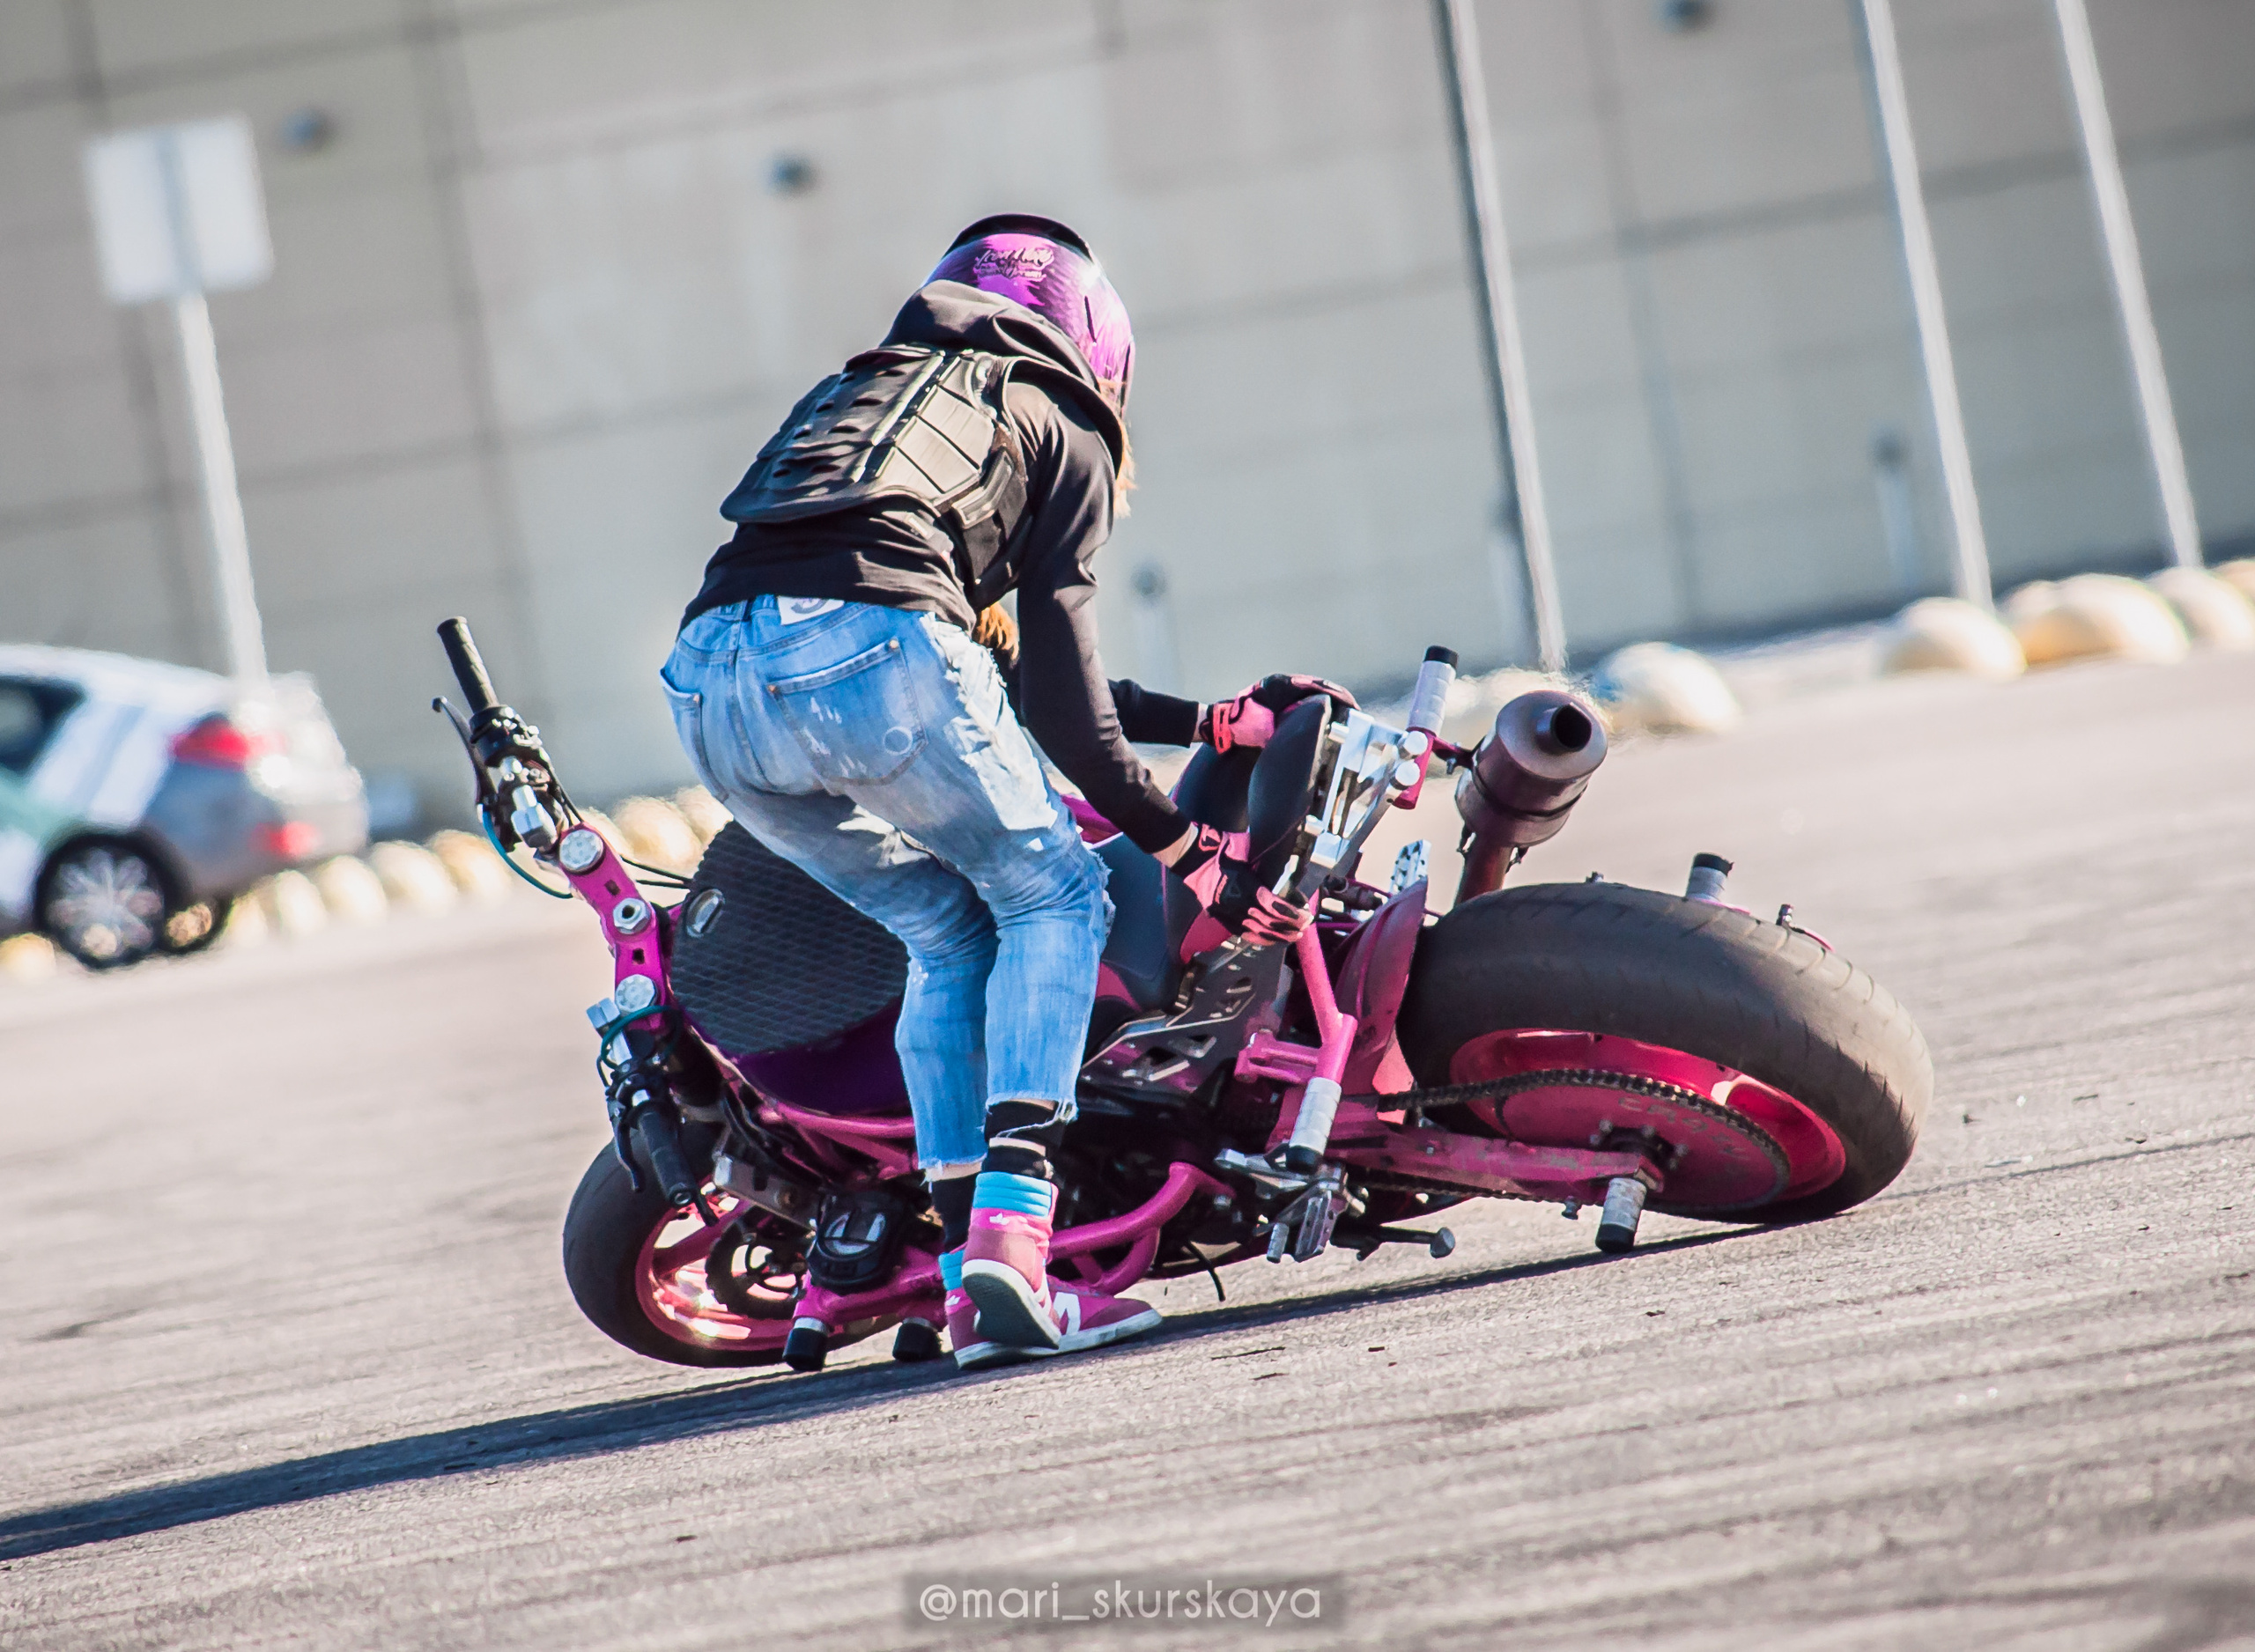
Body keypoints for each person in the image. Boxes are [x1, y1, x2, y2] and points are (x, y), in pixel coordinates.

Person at [662, 215, 1342, 1369]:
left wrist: (1206, 725)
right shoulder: (1058, 413)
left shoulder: (868, 390)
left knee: (947, 930)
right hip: (872, 653)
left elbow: (1002, 674)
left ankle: (965, 1271)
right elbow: (1053, 703)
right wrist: (1185, 849)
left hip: (712, 683)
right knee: (1057, 900)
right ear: (1095, 342)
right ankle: (1019, 1252)